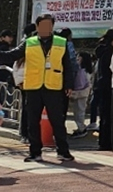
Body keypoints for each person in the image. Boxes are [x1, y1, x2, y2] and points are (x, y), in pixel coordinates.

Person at [0, 14, 76, 163]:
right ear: (37, 26)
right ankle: (35, 152)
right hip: (33, 86)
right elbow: (12, 55)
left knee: (57, 121)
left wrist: (69, 85)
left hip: (53, 86)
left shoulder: (62, 42)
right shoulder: (29, 42)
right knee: (32, 121)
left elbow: (68, 65)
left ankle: (63, 151)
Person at [93, 27, 113, 150]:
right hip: (109, 85)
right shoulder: (112, 52)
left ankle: (102, 142)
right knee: (110, 115)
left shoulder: (101, 50)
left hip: (100, 85)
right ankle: (108, 142)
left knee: (104, 115)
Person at [70, 51, 94, 137]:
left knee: (79, 111)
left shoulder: (81, 71)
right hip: (84, 92)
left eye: (78, 57)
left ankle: (81, 129)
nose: (77, 59)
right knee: (79, 110)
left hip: (80, 92)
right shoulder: (87, 70)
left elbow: (80, 84)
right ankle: (81, 127)